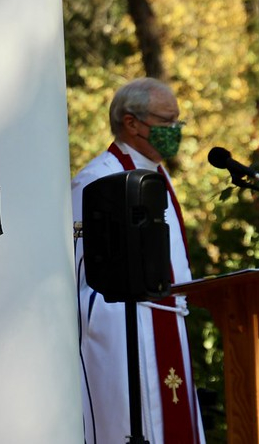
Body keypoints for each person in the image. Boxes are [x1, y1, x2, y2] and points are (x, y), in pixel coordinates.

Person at [72, 77, 205, 444]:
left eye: (178, 122)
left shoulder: (158, 174)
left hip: (165, 318)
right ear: (131, 122)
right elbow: (84, 271)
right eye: (167, 122)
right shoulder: (97, 180)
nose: (175, 131)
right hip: (126, 330)